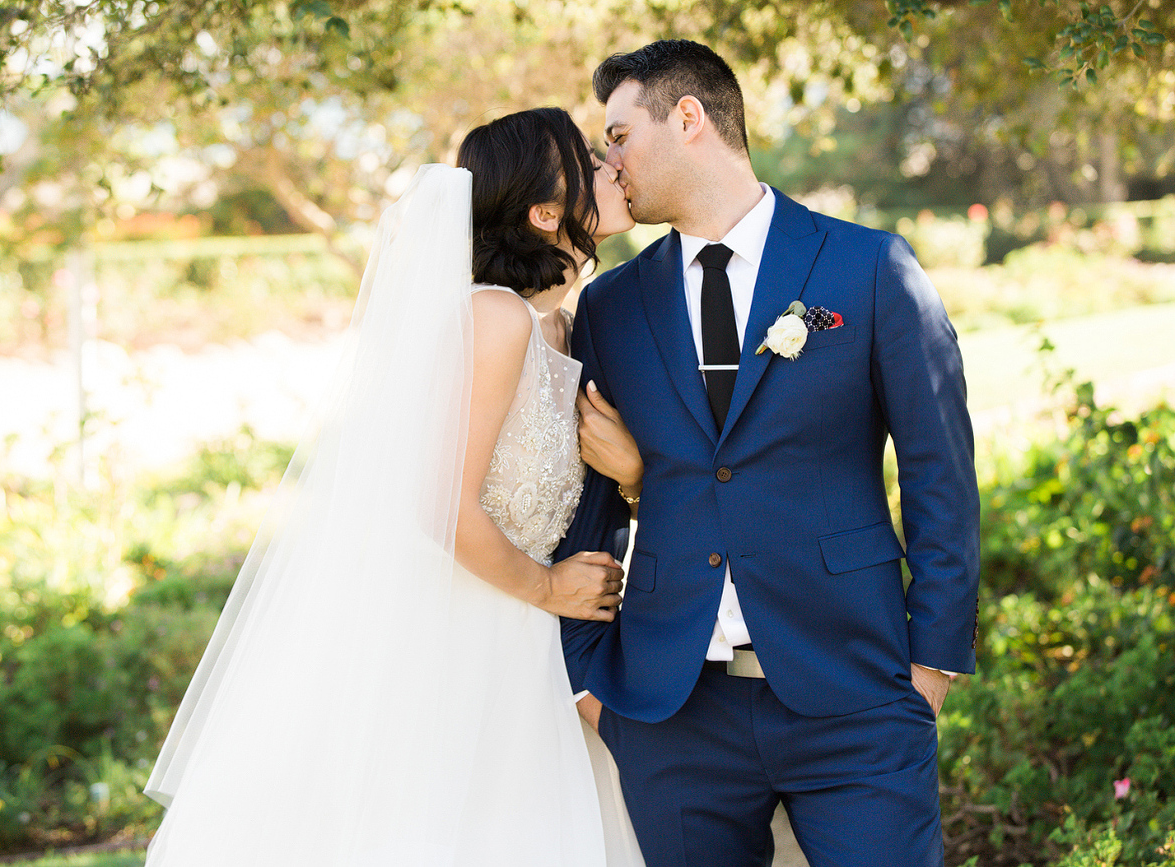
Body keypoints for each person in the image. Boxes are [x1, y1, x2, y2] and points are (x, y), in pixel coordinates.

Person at [141, 107, 645, 865]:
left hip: (522, 649)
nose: (609, 165)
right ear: (546, 212)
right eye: (587, 158)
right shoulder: (494, 316)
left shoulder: (557, 326)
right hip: (456, 637)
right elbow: (441, 504)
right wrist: (546, 589)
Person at [556, 40, 981, 867]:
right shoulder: (609, 305)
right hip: (670, 715)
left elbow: (940, 475)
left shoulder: (867, 267)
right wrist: (588, 678)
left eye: (616, 135)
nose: (606, 162)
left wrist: (930, 666)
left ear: (687, 119)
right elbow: (585, 507)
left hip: (855, 696)